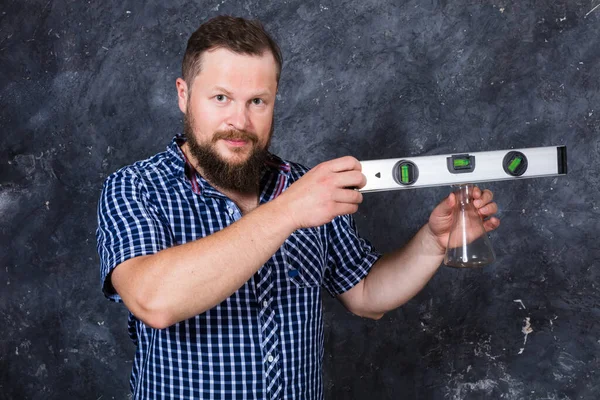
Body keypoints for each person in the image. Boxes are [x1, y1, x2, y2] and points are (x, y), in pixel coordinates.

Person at [96, 15, 500, 400]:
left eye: (258, 101)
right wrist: (289, 211)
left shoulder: (303, 185)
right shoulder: (136, 188)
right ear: (184, 95)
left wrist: (433, 241)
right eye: (221, 98)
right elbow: (155, 301)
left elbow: (365, 293)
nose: (239, 120)